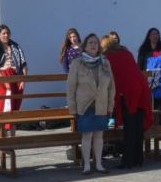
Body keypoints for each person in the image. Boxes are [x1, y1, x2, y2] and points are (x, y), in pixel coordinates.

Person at [66, 33, 114, 174]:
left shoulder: (105, 62)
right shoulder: (77, 63)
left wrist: (110, 105)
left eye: (95, 43)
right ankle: (86, 165)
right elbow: (70, 87)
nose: (93, 45)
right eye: (90, 43)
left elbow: (112, 86)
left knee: (99, 136)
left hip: (101, 104)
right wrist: (72, 108)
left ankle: (98, 164)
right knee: (87, 136)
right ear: (85, 46)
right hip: (85, 106)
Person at [104, 35, 153, 169]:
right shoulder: (126, 52)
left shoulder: (108, 57)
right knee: (138, 127)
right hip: (141, 89)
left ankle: (128, 161)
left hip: (128, 93)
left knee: (130, 128)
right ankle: (138, 159)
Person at [0, 24, 29, 126]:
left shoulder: (16, 47)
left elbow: (23, 64)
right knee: (3, 105)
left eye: (7, 33)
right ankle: (3, 134)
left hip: (16, 76)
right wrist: (4, 82)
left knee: (15, 105)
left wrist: (23, 80)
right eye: (3, 33)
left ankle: (12, 134)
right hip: (2, 77)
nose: (6, 35)